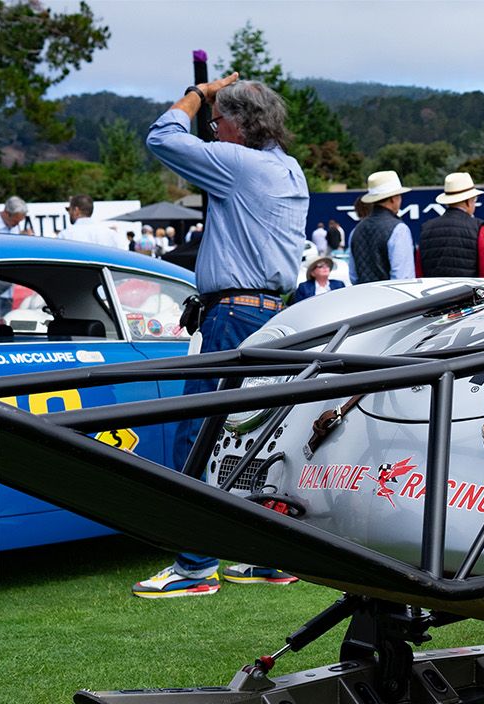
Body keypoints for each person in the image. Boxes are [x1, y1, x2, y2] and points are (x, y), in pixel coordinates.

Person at [136, 71, 308, 597]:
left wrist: (197, 94)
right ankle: (269, 554)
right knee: (255, 438)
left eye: (216, 122)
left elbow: (161, 137)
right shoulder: (289, 167)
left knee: (197, 432)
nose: (211, 132)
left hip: (232, 315)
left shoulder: (239, 165)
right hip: (274, 314)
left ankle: (194, 566)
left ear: (236, 125)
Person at [414, 171, 484, 279]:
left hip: (434, 295)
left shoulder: (426, 229)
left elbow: (419, 274)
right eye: (475, 200)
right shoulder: (479, 229)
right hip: (468, 295)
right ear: (469, 201)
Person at [349, 170, 414, 283]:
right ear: (393, 198)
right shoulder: (398, 229)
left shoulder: (356, 230)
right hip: (392, 299)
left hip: (364, 297)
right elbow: (403, 278)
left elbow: (353, 276)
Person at [57, 193, 128, 249]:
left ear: (76, 210)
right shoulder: (111, 235)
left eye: (69, 209)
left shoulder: (64, 236)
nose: (69, 213)